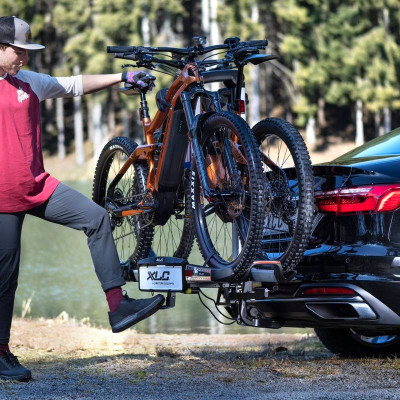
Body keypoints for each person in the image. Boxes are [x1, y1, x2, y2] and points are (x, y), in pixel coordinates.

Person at [0, 16, 164, 381]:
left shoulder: (29, 82)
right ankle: (1, 352)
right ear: (0, 47)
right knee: (5, 278)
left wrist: (121, 77)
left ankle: (117, 306)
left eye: (28, 51)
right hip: (0, 200)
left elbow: (74, 85)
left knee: (97, 218)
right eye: (19, 51)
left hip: (38, 187)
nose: (24, 57)